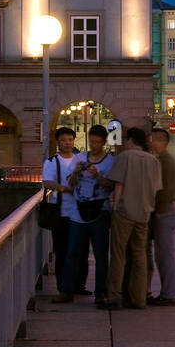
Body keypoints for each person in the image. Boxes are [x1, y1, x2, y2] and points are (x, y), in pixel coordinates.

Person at [100, 127, 163, 310]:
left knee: (119, 254)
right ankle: (139, 298)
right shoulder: (153, 160)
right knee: (140, 254)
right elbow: (156, 189)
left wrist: (115, 204)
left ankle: (113, 295)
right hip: (144, 213)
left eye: (127, 139)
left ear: (131, 140)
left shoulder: (125, 157)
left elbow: (119, 184)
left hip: (125, 211)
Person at [59, 125, 113, 304]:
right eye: (92, 141)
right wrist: (76, 171)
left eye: (98, 142)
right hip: (78, 211)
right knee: (73, 251)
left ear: (104, 142)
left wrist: (97, 176)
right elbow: (71, 183)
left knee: (101, 254)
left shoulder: (110, 161)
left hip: (100, 211)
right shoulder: (80, 157)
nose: (94, 145)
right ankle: (67, 291)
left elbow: (109, 187)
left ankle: (101, 293)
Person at [43, 127, 86, 300]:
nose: (67, 143)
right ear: (58, 142)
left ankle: (79, 285)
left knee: (80, 251)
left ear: (74, 140)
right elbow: (47, 182)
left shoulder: (80, 160)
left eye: (70, 139)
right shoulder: (53, 161)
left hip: (79, 212)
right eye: (63, 140)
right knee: (62, 251)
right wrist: (65, 189)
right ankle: (63, 286)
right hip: (60, 212)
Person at [146, 128, 175, 306]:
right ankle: (166, 292)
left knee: (164, 254)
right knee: (160, 254)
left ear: (165, 142)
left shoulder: (165, 161)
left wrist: (159, 211)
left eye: (158, 139)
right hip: (160, 211)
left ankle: (169, 294)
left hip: (164, 212)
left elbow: (166, 190)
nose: (154, 142)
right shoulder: (158, 159)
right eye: (152, 139)